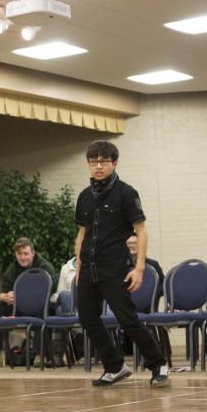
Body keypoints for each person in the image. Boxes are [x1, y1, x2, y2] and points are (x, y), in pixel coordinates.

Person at [74, 140, 169, 388]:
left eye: (103, 161)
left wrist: (139, 268)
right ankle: (114, 365)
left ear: (114, 163)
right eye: (93, 161)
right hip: (88, 269)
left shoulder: (126, 193)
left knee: (128, 319)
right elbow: (82, 235)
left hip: (114, 268)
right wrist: (79, 267)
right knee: (87, 319)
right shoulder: (84, 197)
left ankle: (158, 363)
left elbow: (141, 231)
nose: (98, 166)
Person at [0, 237, 58, 364]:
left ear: (33, 253)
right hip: (18, 307)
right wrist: (4, 297)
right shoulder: (12, 269)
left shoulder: (45, 267)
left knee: (46, 308)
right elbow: (2, 292)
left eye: (26, 253)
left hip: (40, 307)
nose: (23, 257)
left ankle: (39, 354)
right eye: (19, 254)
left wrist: (25, 296)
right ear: (15, 255)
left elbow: (51, 288)